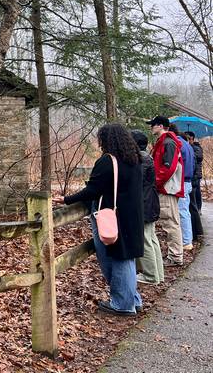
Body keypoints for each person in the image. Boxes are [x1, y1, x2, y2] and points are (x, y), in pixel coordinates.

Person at [53, 124, 144, 315]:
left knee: (118, 258)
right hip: (132, 215)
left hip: (113, 216)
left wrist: (67, 199)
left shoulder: (108, 161)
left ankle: (122, 304)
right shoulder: (134, 159)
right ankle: (132, 299)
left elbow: (93, 189)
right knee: (126, 258)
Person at [147, 116, 184, 266]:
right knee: (169, 222)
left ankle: (175, 257)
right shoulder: (164, 142)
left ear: (160, 126)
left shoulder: (168, 143)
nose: (151, 128)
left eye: (153, 125)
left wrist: (155, 183)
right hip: (165, 188)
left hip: (167, 189)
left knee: (171, 223)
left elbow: (168, 168)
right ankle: (174, 255)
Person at [130, 130, 164, 284]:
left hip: (144, 204)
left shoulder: (141, 159)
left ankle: (151, 276)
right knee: (151, 238)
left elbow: (136, 181)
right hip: (150, 203)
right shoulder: (146, 157)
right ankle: (158, 274)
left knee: (146, 240)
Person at [169, 123, 194, 249]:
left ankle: (186, 241)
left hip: (181, 181)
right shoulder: (187, 144)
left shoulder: (177, 144)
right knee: (185, 211)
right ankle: (187, 238)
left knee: (182, 212)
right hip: (188, 181)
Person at [184, 131, 204, 240]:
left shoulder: (196, 148)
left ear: (192, 139)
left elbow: (199, 157)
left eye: (189, 139)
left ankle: (197, 230)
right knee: (193, 201)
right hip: (193, 177)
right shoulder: (189, 148)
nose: (188, 141)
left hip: (195, 177)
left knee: (194, 200)